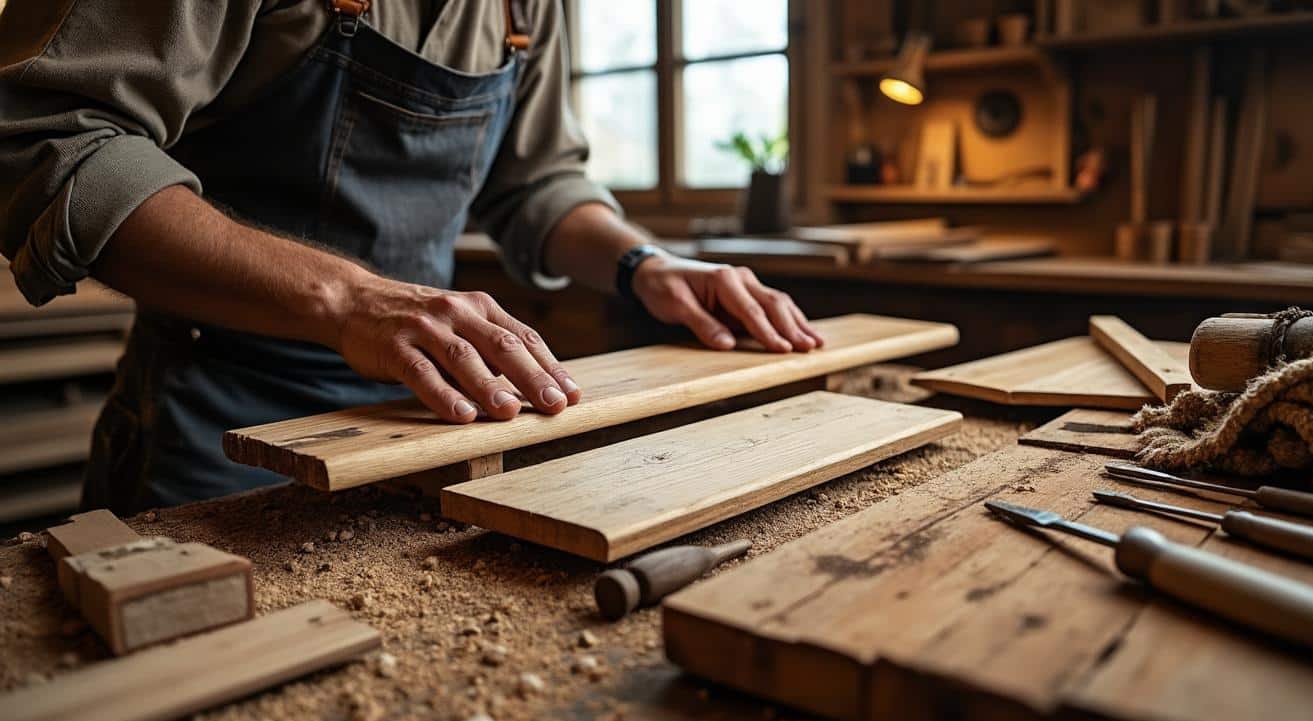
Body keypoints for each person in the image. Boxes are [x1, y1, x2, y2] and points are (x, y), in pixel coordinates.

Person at [0, 0, 823, 513]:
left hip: (430, 419)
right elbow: (44, 136)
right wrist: (350, 300)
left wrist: (644, 262)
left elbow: (536, 180)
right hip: (219, 421)